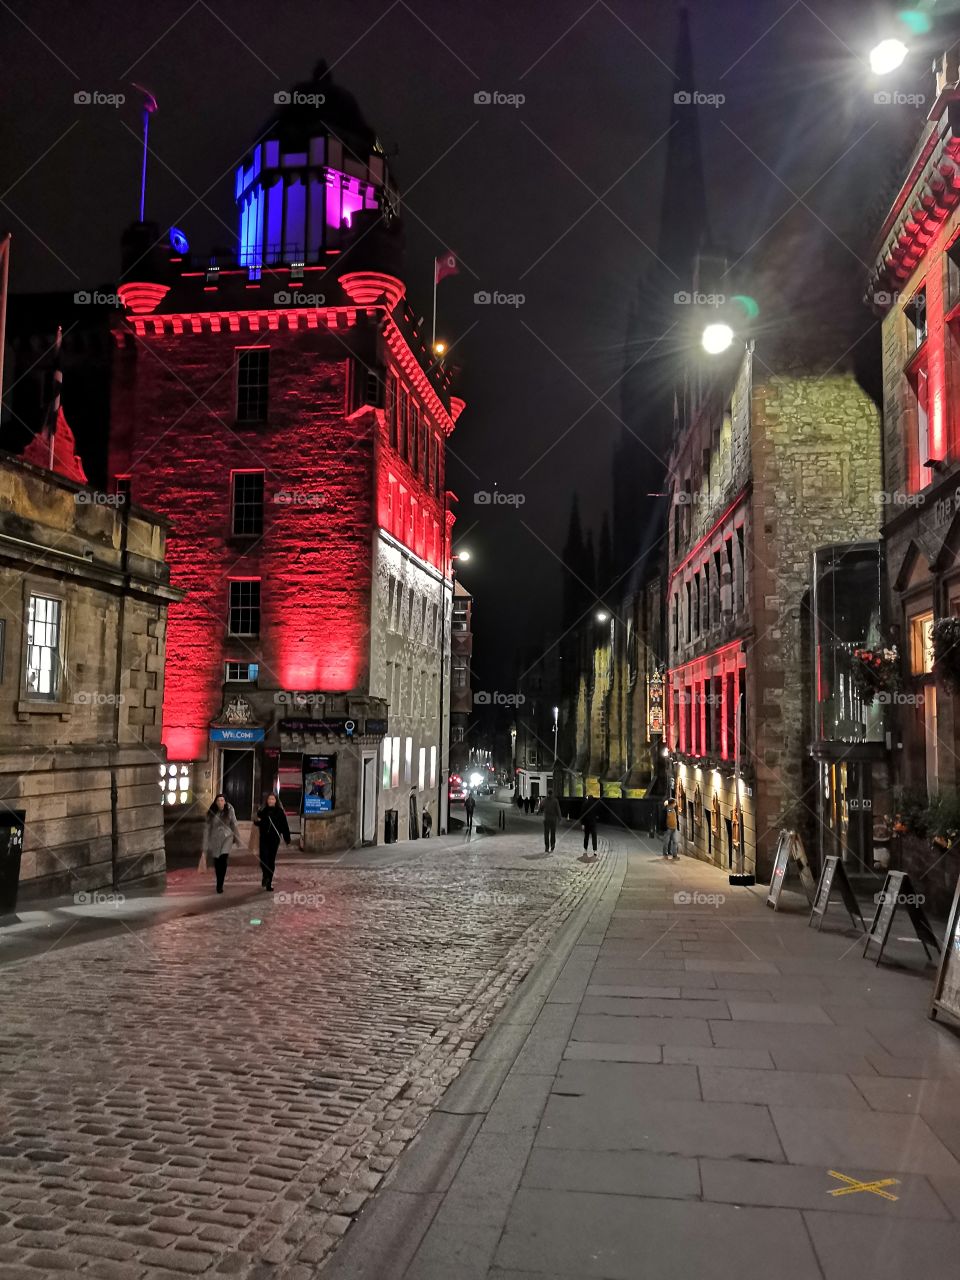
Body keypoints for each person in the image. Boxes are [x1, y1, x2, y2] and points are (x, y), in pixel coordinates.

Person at [203, 794, 242, 893]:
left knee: (223, 858)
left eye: (222, 800)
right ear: (216, 802)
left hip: (227, 837)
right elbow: (207, 829)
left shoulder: (229, 810)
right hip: (215, 838)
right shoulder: (211, 813)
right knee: (217, 861)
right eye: (219, 800)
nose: (221, 802)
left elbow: (234, 823)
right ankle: (218, 879)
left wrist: (237, 838)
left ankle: (220, 883)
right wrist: (205, 846)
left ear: (225, 801)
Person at [253, 793, 291, 891]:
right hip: (264, 838)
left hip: (274, 839)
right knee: (263, 858)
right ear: (267, 801)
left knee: (271, 860)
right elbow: (258, 822)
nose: (270, 801)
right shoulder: (263, 811)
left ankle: (269, 882)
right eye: (269, 799)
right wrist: (256, 821)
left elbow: (284, 826)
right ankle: (265, 876)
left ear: (276, 801)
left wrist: (287, 838)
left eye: (272, 799)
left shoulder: (279, 812)